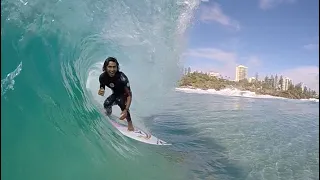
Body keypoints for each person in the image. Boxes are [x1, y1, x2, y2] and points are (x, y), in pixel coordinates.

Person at [98, 57, 134, 131]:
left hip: (124, 96)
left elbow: (129, 95)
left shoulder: (122, 78)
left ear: (117, 67)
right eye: (109, 67)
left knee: (122, 106)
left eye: (114, 67)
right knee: (106, 104)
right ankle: (109, 114)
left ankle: (130, 125)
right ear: (105, 67)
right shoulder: (102, 77)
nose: (112, 70)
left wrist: (126, 109)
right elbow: (102, 86)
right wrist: (101, 90)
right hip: (115, 94)